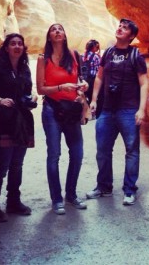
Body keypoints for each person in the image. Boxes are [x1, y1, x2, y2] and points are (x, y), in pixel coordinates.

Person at [87, 19, 148, 206]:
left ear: (131, 36)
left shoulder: (136, 55)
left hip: (128, 110)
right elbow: (99, 77)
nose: (120, 28)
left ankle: (129, 189)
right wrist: (94, 99)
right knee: (103, 150)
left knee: (131, 151)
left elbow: (144, 83)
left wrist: (141, 109)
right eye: (120, 26)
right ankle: (104, 186)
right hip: (107, 110)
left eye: (125, 28)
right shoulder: (109, 53)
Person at [36, 23, 89, 215]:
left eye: (60, 29)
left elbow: (80, 80)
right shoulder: (43, 58)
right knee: (54, 154)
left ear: (65, 35)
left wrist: (83, 85)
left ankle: (71, 194)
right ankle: (56, 198)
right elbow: (40, 89)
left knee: (77, 153)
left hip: (72, 109)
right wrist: (60, 88)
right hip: (52, 109)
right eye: (53, 29)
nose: (57, 31)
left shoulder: (74, 55)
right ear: (49, 37)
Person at [0, 33, 36, 222]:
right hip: (5, 119)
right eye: (13, 44)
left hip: (22, 119)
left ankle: (13, 201)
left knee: (17, 163)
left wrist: (33, 98)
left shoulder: (25, 68)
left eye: (20, 44)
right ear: (6, 48)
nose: (17, 47)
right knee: (2, 164)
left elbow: (29, 91)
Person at [82, 39, 101, 105]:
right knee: (91, 99)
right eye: (97, 47)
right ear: (93, 47)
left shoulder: (82, 55)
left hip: (83, 80)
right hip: (92, 81)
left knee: (83, 97)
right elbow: (99, 70)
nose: (97, 49)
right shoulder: (96, 57)